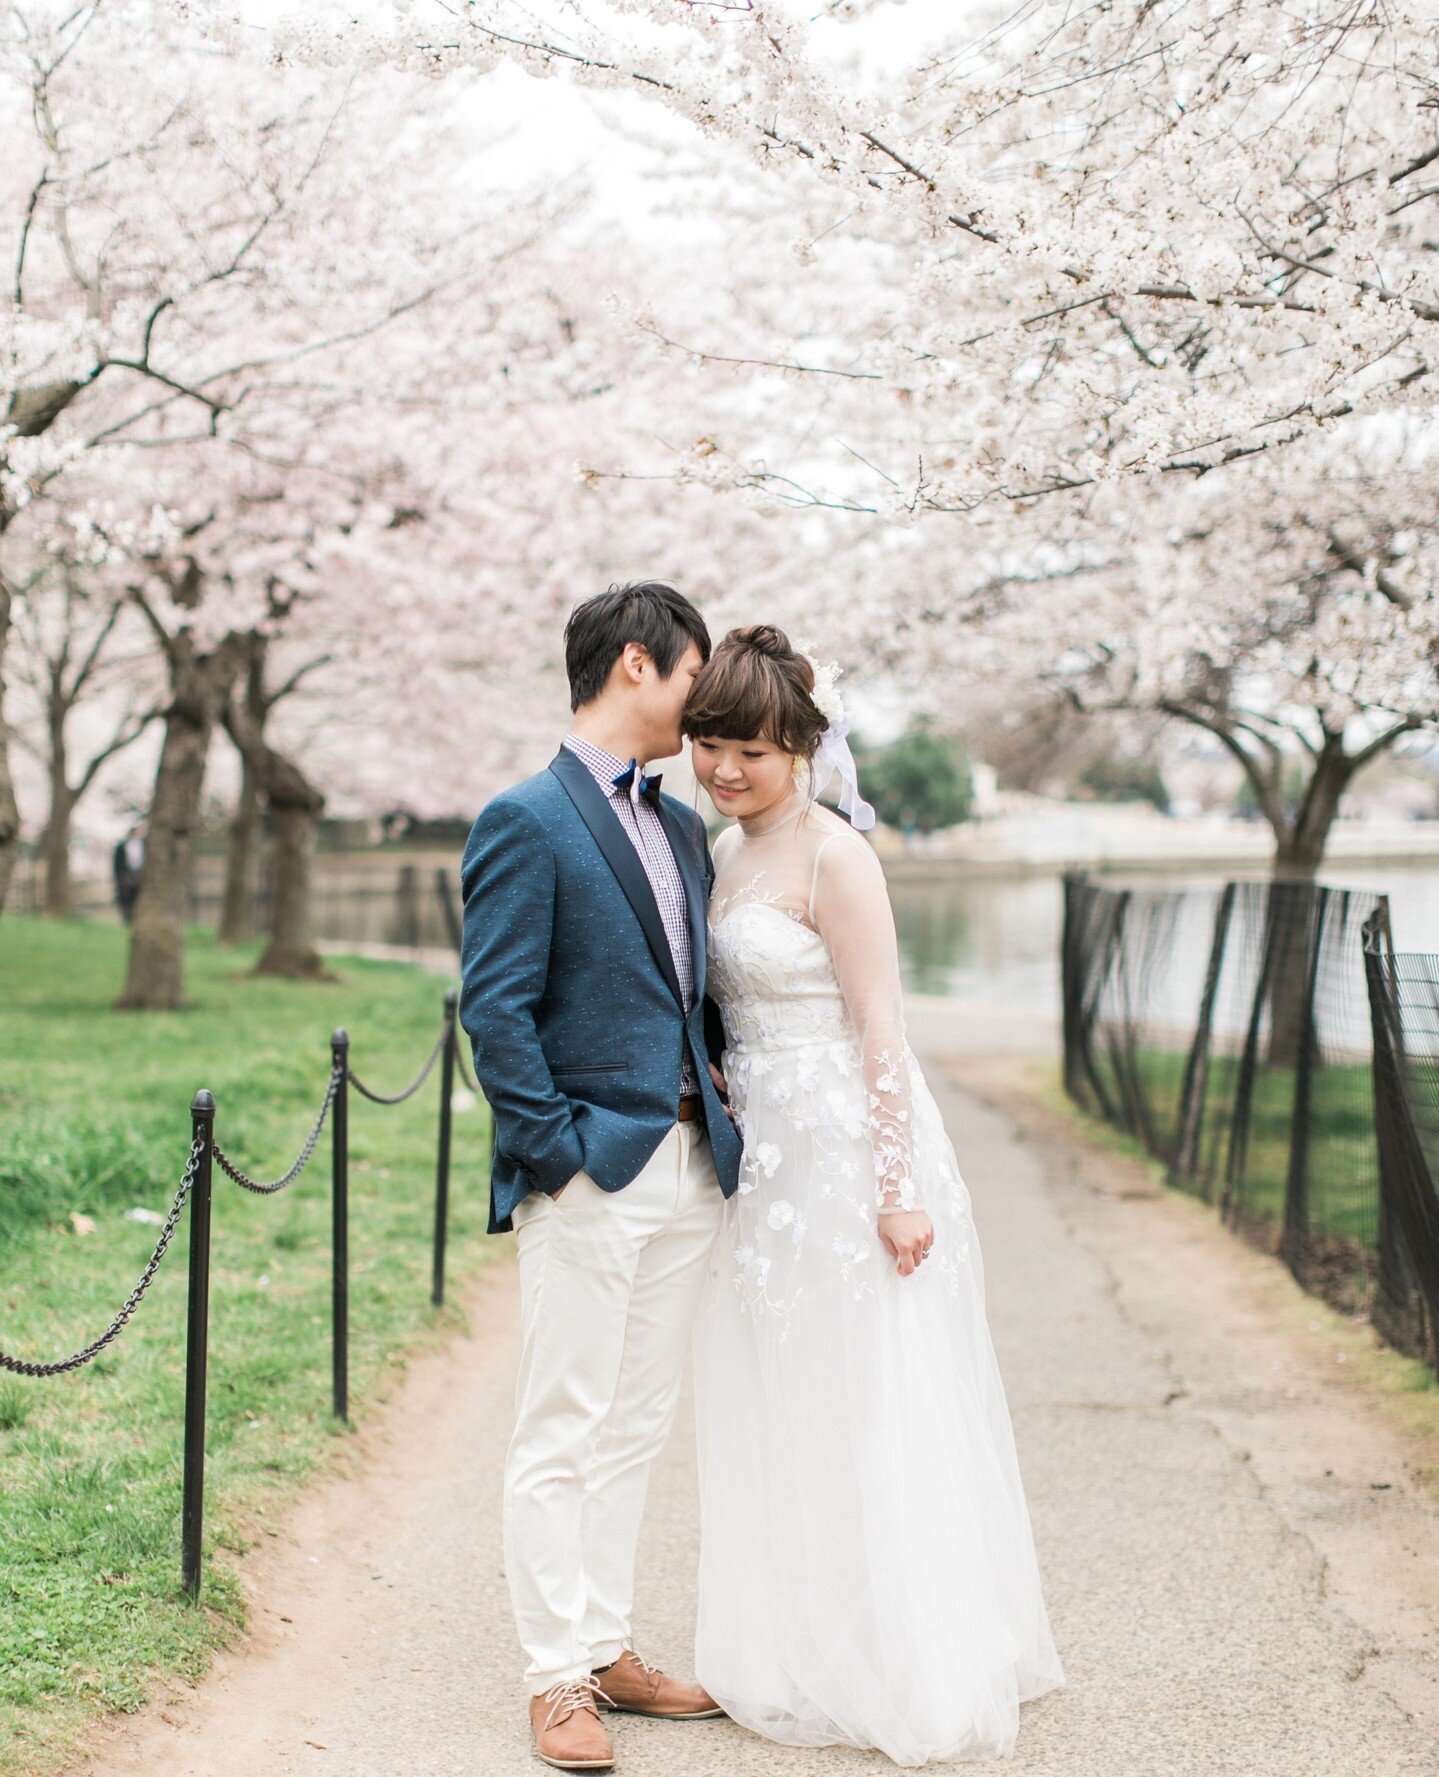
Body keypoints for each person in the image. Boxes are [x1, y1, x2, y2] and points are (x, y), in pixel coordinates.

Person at [683, 626, 1064, 1767]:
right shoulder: (718, 850)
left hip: (848, 1155)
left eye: (749, 748)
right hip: (767, 1161)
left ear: (801, 744)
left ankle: (907, 1654)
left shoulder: (833, 855)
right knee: (782, 1382)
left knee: (868, 1386)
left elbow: (879, 1031)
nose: (725, 769)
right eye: (708, 744)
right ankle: (799, 1636)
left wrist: (897, 1189)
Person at [459, 582, 743, 1772]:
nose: (705, 698)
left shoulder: (679, 827)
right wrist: (562, 1159)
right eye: (695, 675)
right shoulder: (525, 818)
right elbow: (494, 1009)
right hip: (591, 1172)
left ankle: (608, 1643)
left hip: (689, 1166)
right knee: (561, 1425)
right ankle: (552, 1677)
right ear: (639, 664)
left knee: (633, 1424)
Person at [112, 822, 145, 925]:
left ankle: (137, 919)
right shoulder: (122, 846)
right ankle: (127, 919)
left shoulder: (144, 845)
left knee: (138, 898)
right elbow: (117, 863)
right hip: (125, 875)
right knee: (125, 898)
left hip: (139, 875)